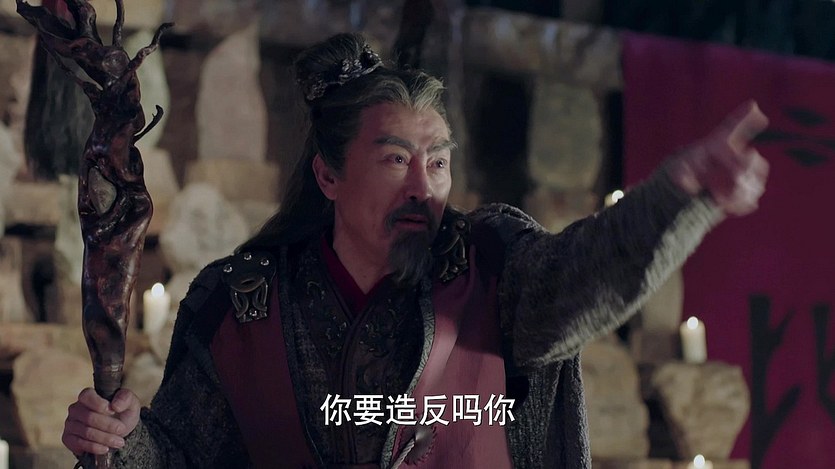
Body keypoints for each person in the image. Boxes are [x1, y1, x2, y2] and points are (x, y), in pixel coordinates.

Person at [61, 33, 769, 468]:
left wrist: (680, 193)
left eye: (438, 161)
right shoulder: (243, 305)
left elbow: (585, 273)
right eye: (396, 159)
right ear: (328, 176)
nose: (422, 187)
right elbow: (179, 458)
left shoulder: (494, 269)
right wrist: (119, 440)